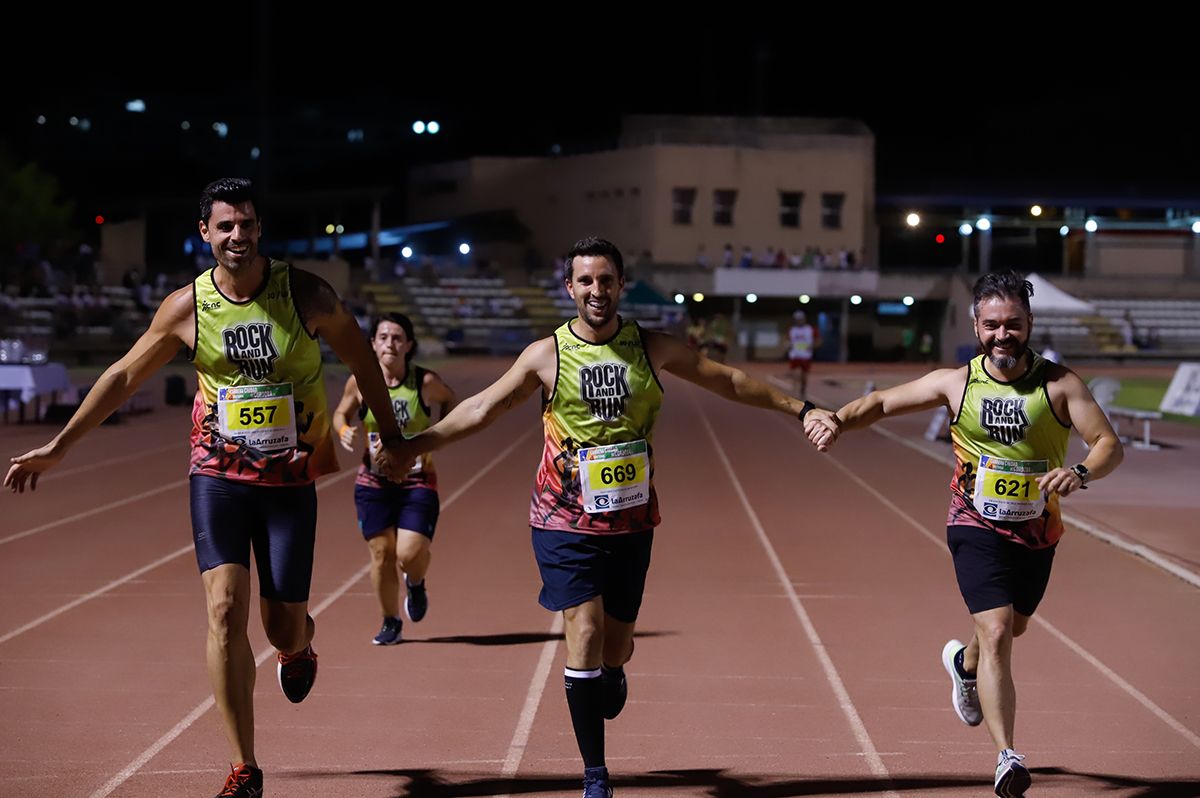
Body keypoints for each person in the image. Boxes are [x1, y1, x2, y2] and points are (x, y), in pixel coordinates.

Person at [4, 177, 408, 798]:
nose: (237, 235)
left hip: (289, 481)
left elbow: (362, 363)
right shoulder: (186, 308)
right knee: (223, 612)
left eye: (246, 223)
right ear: (205, 234)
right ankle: (244, 767)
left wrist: (395, 440)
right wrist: (60, 447)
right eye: (225, 226)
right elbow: (121, 375)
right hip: (217, 477)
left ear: (259, 228)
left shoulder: (305, 294)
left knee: (282, 628)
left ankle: (301, 647)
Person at [393, 236, 828, 798]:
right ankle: (595, 773)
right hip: (561, 520)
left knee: (615, 645)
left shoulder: (651, 347)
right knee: (586, 631)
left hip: (630, 522)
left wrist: (801, 408)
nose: (596, 290)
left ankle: (615, 670)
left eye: (606, 280)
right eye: (586, 281)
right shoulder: (546, 354)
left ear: (621, 284)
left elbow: (727, 380)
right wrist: (413, 444)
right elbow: (482, 407)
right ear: (569, 287)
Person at [804, 271, 1123, 798]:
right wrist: (837, 418)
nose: (1003, 335)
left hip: (1039, 531)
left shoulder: (1060, 385)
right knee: (998, 632)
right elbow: (883, 402)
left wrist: (1082, 471)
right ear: (976, 326)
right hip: (973, 523)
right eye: (992, 325)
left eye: (1013, 325)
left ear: (1029, 324)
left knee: (1012, 628)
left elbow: (1108, 443)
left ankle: (962, 663)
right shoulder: (958, 383)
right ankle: (1008, 758)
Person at [331, 312, 456, 645]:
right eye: (383, 337)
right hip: (374, 483)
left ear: (409, 345)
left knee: (408, 553)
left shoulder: (424, 383)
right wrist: (344, 428)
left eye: (398, 337)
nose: (390, 343)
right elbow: (341, 411)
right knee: (382, 553)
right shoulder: (360, 382)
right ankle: (390, 621)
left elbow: (449, 401)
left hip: (417, 481)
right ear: (373, 344)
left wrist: (435, 435)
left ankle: (415, 584)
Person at [786, 310, 820, 399]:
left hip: (806, 355)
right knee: (795, 374)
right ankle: (794, 392)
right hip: (794, 355)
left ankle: (802, 390)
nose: (799, 321)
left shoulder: (810, 329)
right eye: (797, 319)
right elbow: (787, 340)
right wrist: (787, 344)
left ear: (804, 319)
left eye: (800, 319)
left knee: (803, 376)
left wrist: (813, 346)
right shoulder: (792, 330)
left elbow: (819, 340)